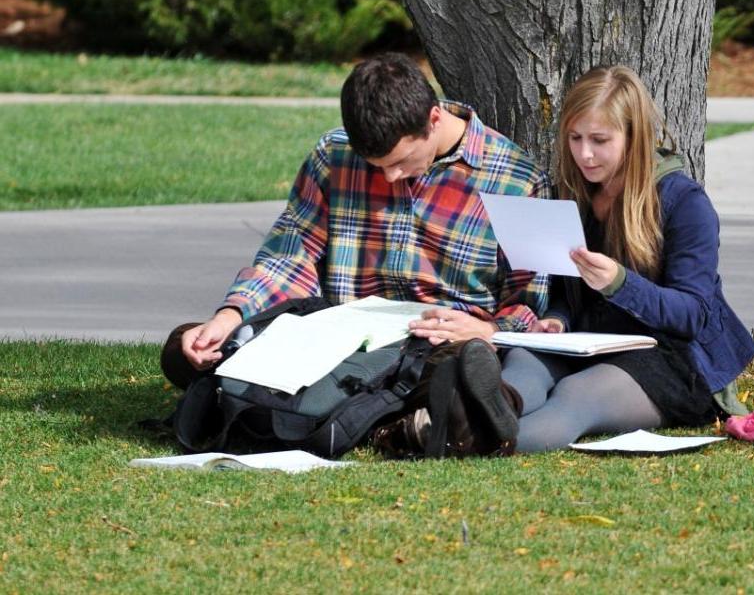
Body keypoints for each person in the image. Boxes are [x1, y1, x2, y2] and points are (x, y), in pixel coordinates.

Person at [372, 65, 754, 455]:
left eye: (599, 140)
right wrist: (558, 319)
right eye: (575, 138)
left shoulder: (683, 202)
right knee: (525, 362)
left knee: (578, 394)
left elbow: (694, 314)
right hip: (589, 342)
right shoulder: (575, 193)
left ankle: (450, 438)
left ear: (634, 136)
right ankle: (470, 416)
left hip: (673, 357)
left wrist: (620, 284)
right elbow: (566, 292)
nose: (585, 154)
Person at [161, 53, 552, 390]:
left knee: (453, 372)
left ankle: (422, 403)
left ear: (434, 119)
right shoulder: (334, 154)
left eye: (400, 162)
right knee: (188, 349)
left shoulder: (518, 181)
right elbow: (290, 255)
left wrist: (489, 332)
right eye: (376, 167)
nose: (391, 178)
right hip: (336, 334)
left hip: (438, 341)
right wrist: (231, 315)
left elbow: (529, 299)